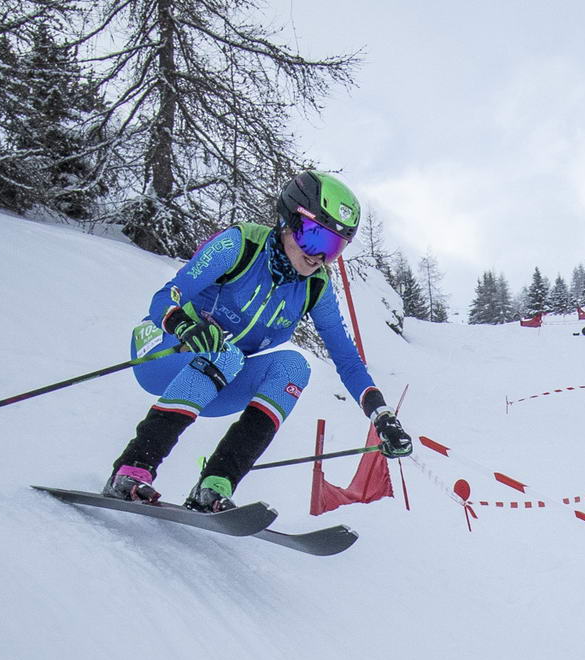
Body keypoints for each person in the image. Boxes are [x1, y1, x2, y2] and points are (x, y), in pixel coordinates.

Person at [103, 170, 414, 510]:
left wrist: (381, 415)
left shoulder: (315, 287)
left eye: (334, 248)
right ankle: (132, 467)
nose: (318, 257)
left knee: (294, 367)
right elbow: (166, 297)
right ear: (288, 220)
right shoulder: (240, 246)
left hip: (217, 378)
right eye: (314, 238)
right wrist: (182, 324)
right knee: (228, 355)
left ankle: (215, 484)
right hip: (163, 351)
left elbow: (348, 361)